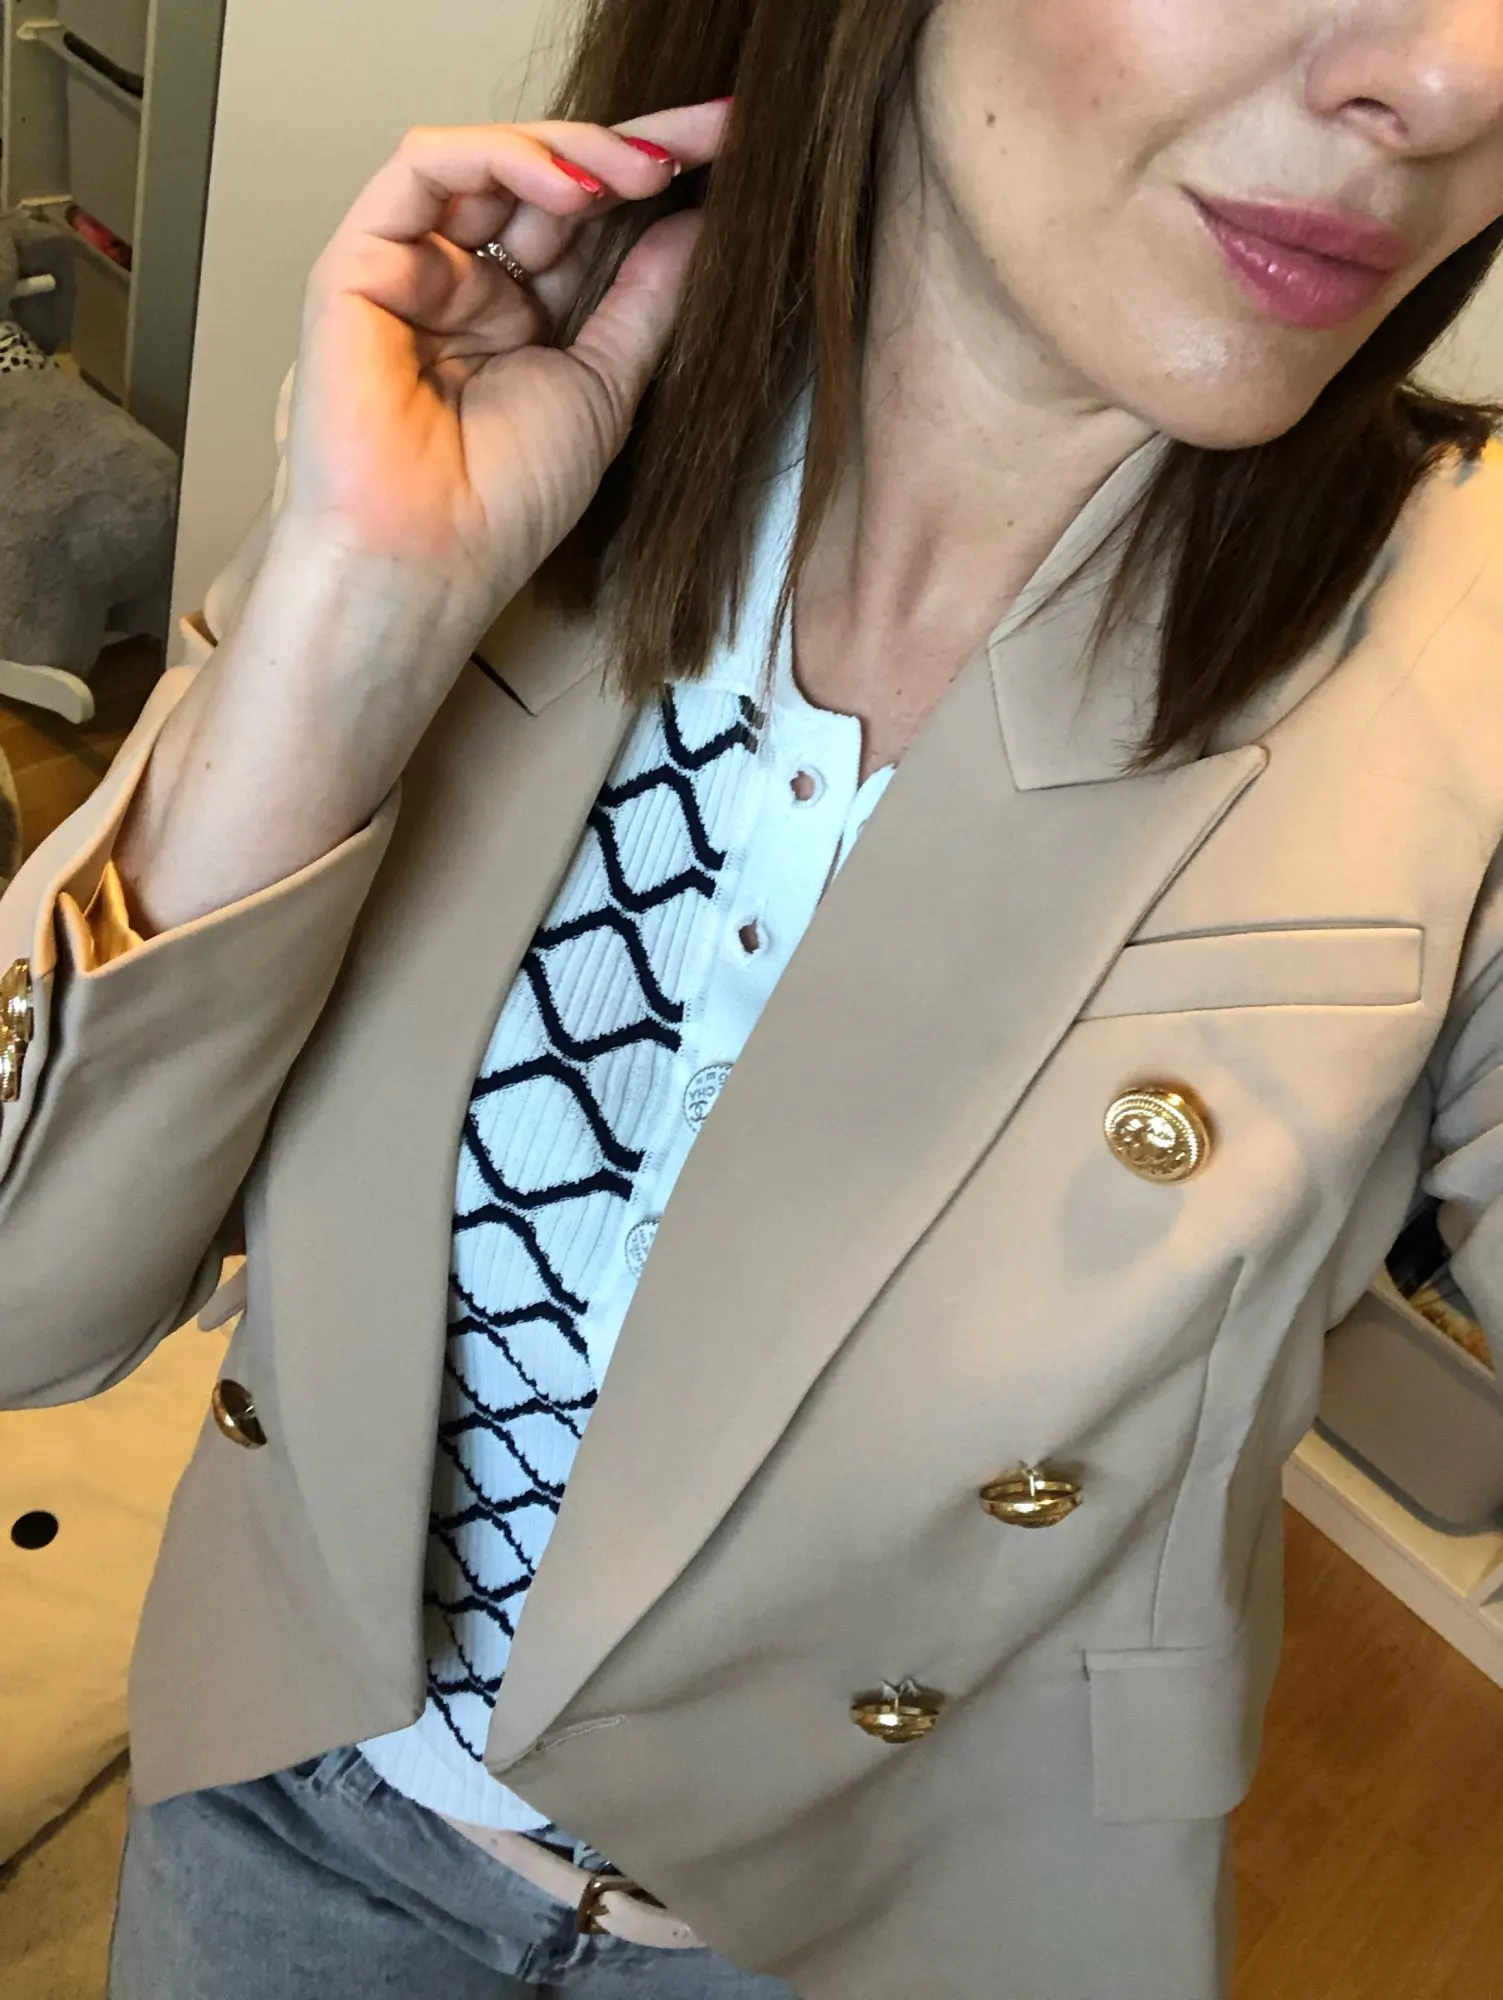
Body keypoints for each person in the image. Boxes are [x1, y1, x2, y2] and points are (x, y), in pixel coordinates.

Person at [2, 0, 1503, 1994]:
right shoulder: (501, 408)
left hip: (890, 1932)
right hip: (284, 1800)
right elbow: (33, 1312)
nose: (1458, 76)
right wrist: (356, 607)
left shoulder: (1464, 649)